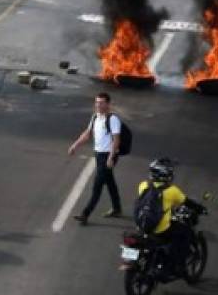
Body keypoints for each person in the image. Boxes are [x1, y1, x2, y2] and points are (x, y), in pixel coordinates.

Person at [69, 92, 124, 224]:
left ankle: (85, 214)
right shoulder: (95, 117)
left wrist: (111, 157)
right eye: (97, 102)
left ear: (108, 104)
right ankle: (117, 208)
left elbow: (117, 140)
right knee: (110, 182)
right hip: (99, 155)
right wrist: (75, 145)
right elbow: (87, 134)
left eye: (101, 103)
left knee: (97, 186)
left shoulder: (113, 119)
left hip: (108, 155)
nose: (98, 105)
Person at [135, 157, 193, 269]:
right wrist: (201, 209)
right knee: (185, 231)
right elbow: (187, 202)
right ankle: (180, 262)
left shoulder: (143, 185)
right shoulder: (172, 191)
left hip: (142, 226)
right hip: (161, 230)